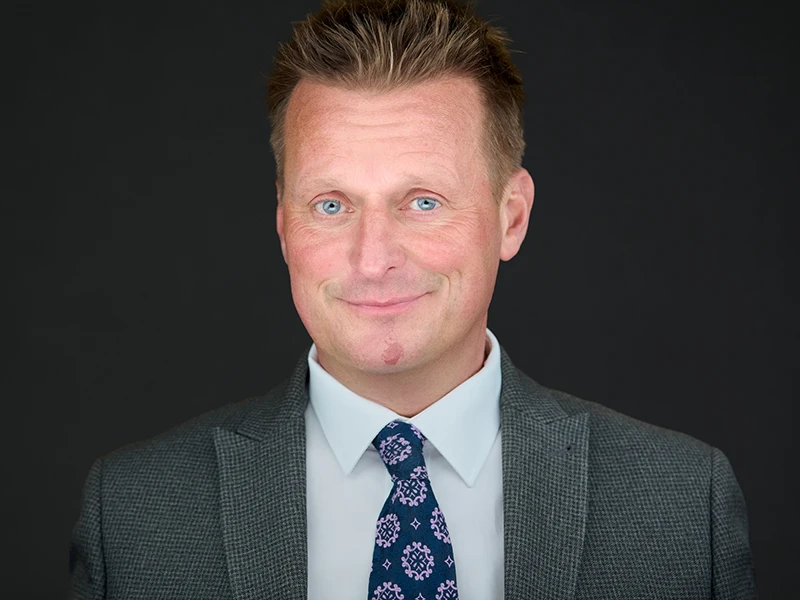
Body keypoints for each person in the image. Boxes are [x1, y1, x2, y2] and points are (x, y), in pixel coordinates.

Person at [68, 1, 757, 598]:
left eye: (423, 201)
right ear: (283, 224)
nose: (374, 259)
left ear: (511, 217)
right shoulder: (134, 513)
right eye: (332, 204)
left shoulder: (678, 505)